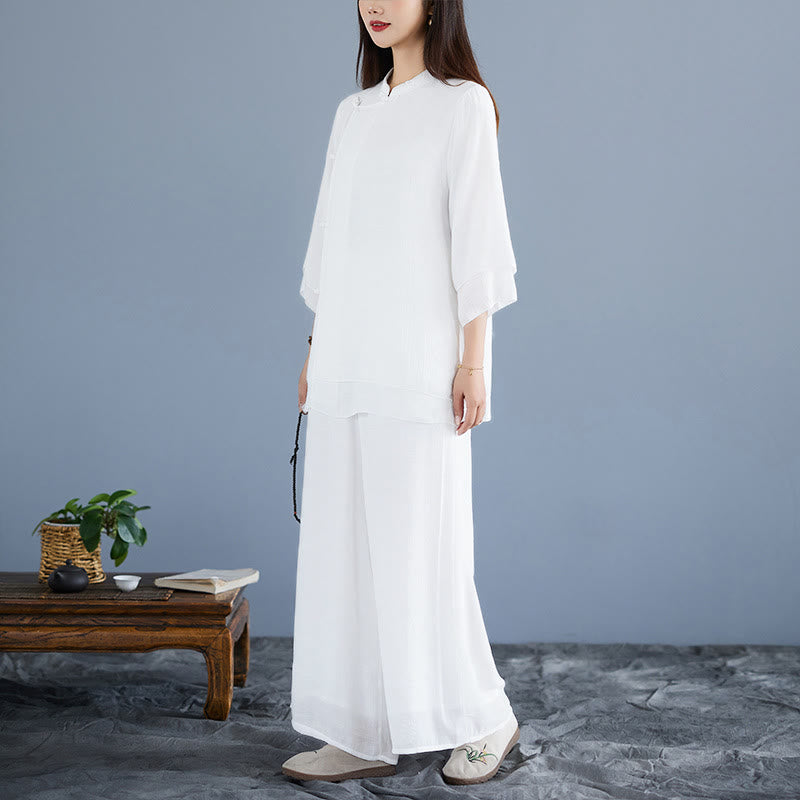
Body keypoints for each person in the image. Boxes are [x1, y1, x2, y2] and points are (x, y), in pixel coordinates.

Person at [283, 0, 520, 786]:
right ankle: (361, 729)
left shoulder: (463, 106)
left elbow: (477, 238)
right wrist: (315, 350)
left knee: (424, 552)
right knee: (344, 554)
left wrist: (474, 362)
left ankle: (486, 717)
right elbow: (333, 243)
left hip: (420, 366)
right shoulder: (351, 114)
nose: (376, 4)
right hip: (345, 361)